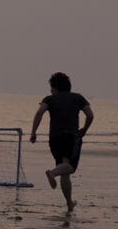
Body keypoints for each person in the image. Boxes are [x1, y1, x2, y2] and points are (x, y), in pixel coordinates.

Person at [29, 71, 94, 212]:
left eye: (51, 88)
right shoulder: (78, 98)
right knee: (70, 167)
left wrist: (33, 132)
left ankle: (69, 203)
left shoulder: (50, 99)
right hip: (71, 137)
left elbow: (39, 113)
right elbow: (90, 115)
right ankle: (52, 173)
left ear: (55, 88)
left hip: (54, 139)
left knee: (64, 170)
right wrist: (84, 129)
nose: (51, 91)